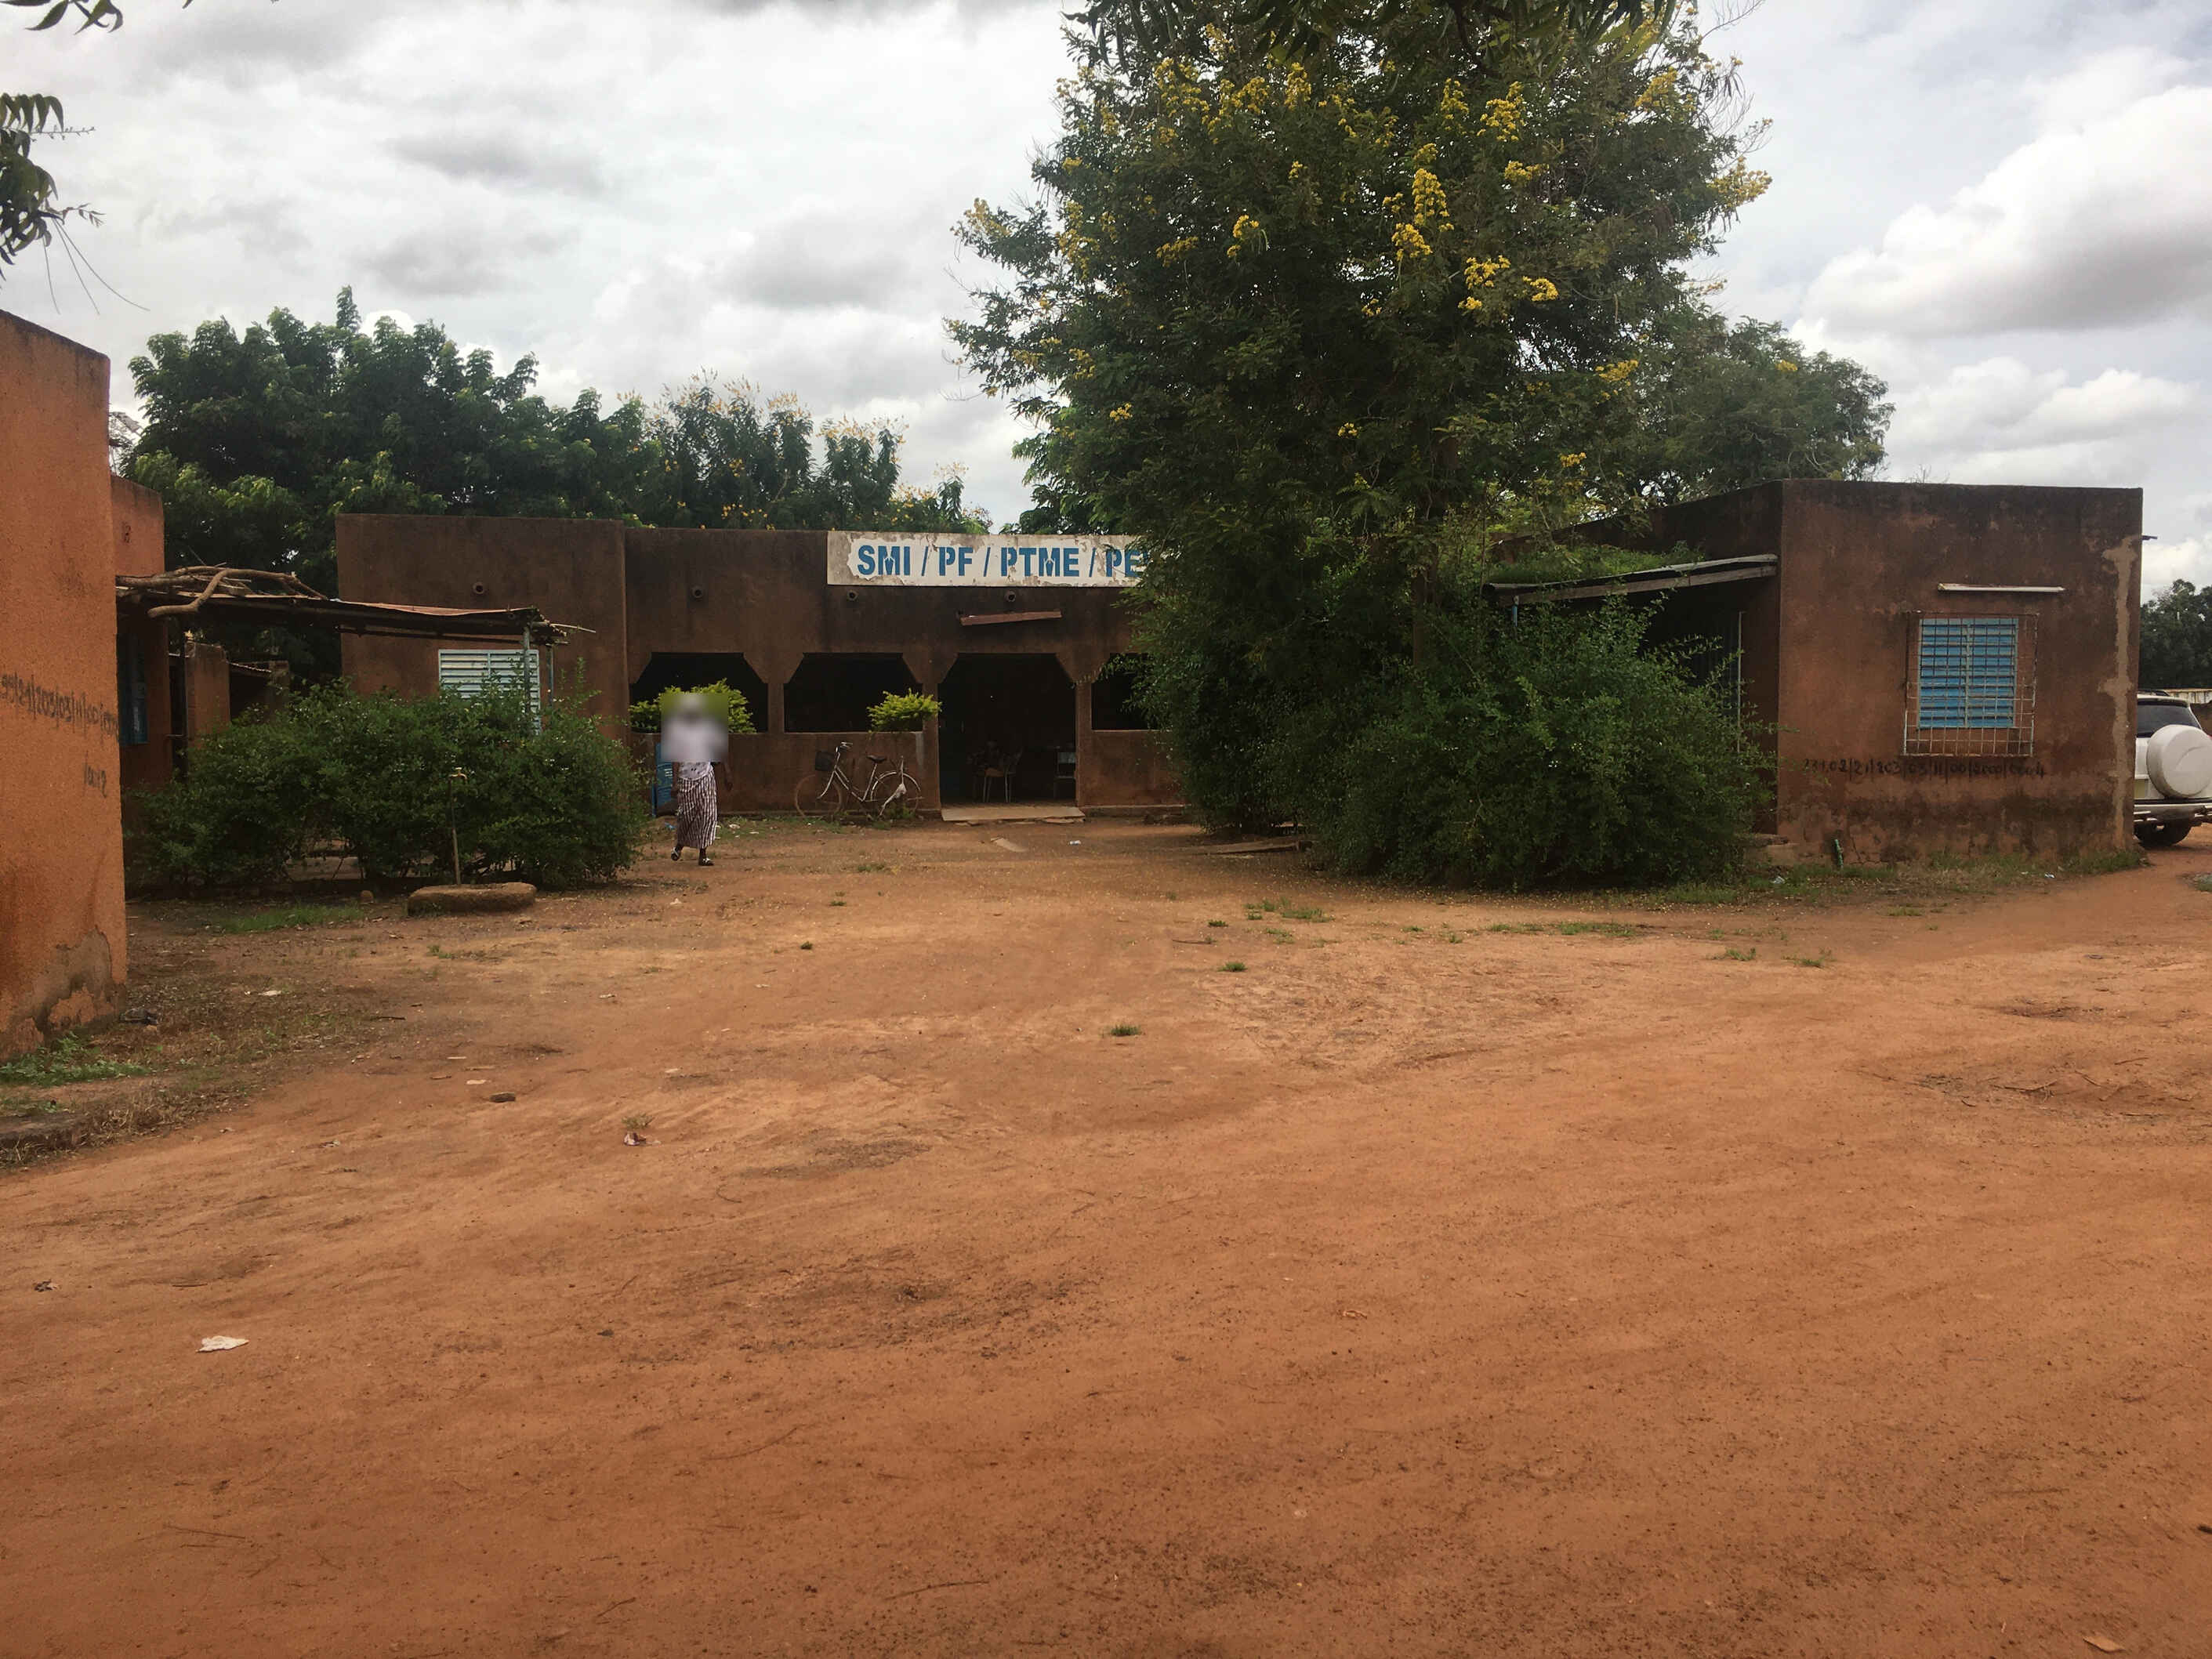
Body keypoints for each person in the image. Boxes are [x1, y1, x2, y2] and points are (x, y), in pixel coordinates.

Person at [660, 693, 732, 866]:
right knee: (686, 816)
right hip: (686, 779)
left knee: (707, 814)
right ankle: (679, 846)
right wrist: (675, 782)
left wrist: (727, 773)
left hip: (706, 776)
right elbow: (676, 758)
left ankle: (703, 855)